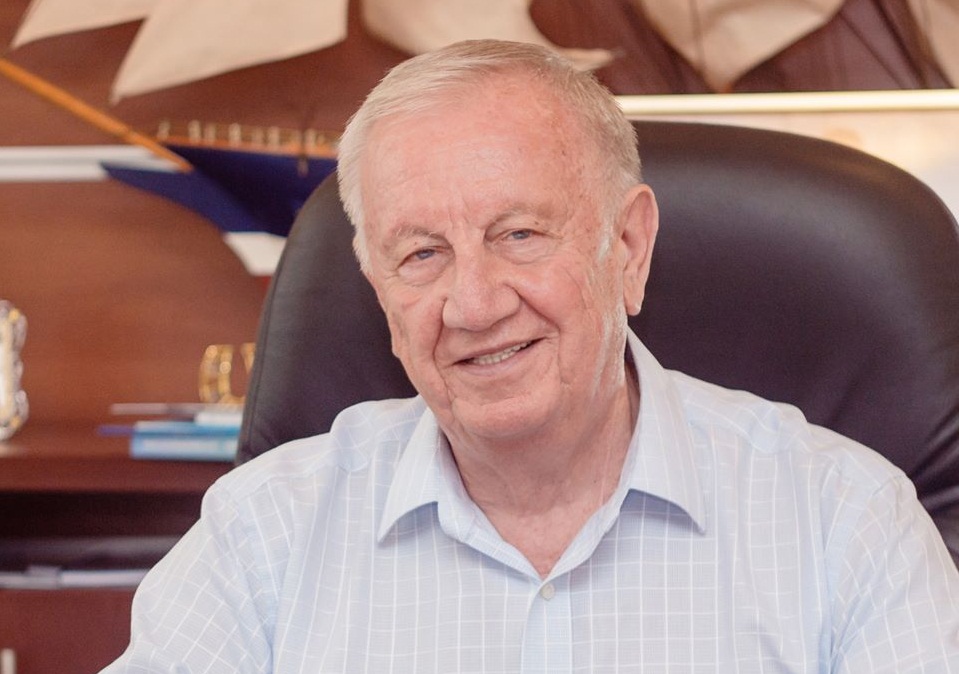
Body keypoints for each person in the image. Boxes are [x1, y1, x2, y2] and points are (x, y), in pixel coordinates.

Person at [102, 39, 959, 672]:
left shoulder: (841, 521)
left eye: (518, 235)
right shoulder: (265, 534)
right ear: (376, 288)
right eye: (421, 254)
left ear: (627, 248)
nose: (473, 305)